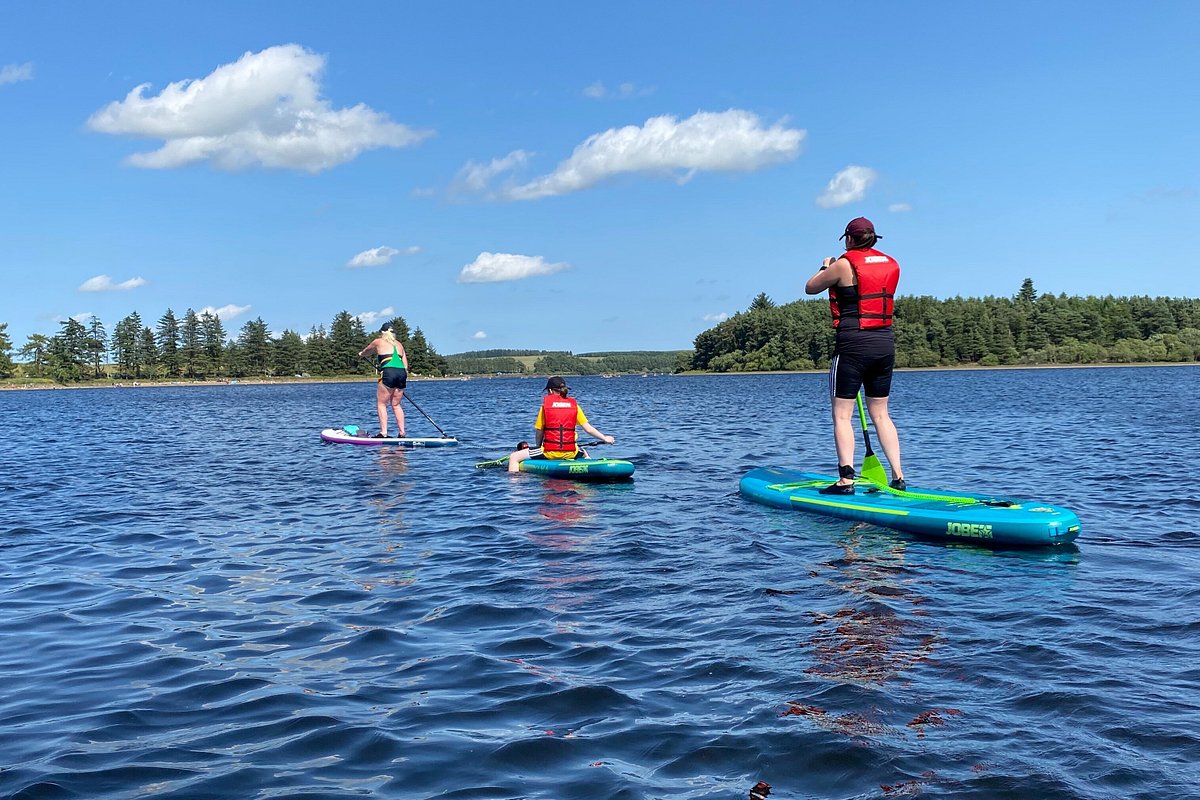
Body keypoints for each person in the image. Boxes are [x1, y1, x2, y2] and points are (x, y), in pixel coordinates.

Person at [804, 217, 905, 494]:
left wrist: (825, 265)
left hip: (852, 345)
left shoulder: (842, 265)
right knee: (881, 414)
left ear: (849, 239)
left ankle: (846, 480)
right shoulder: (892, 263)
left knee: (841, 415)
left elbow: (811, 287)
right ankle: (898, 476)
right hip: (884, 343)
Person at [508, 376, 616, 473]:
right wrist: (605, 438)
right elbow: (588, 429)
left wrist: (538, 446)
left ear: (550, 390)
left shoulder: (545, 407)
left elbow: (539, 432)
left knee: (513, 457)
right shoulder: (575, 406)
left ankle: (515, 490)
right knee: (584, 453)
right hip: (572, 452)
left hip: (549, 453)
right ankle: (590, 468)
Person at [358, 322, 408, 438]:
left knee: (381, 404)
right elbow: (405, 365)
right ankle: (402, 433)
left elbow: (367, 351)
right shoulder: (399, 344)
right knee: (396, 405)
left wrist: (361, 354)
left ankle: (384, 433)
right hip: (401, 374)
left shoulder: (378, 342)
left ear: (382, 332)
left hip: (388, 373)